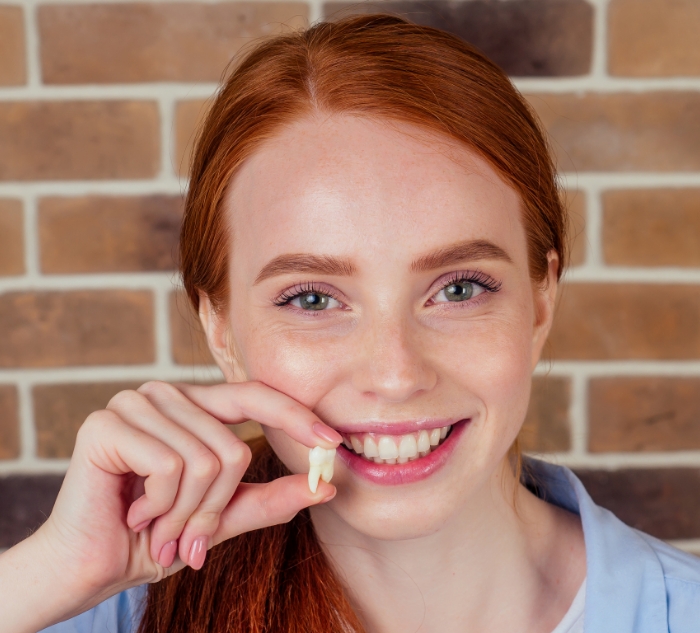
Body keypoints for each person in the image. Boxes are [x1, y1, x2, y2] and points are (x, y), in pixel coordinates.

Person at [1, 14, 698, 633]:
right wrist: (52, 573)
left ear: (541, 301)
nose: (395, 374)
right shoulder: (97, 608)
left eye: (458, 287)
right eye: (311, 299)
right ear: (219, 327)